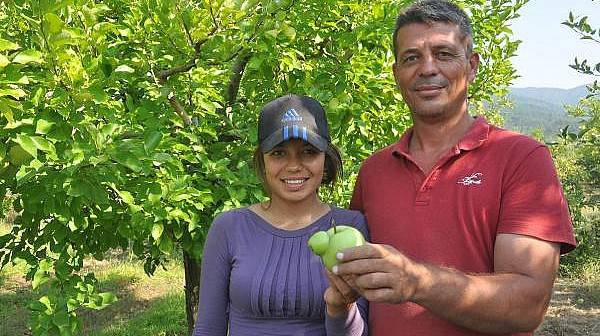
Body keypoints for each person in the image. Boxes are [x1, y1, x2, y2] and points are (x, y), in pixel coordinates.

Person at [332, 1, 577, 335]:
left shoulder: (522, 159)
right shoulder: (374, 170)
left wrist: (416, 281)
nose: (427, 68)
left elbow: (527, 305)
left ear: (472, 66)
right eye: (411, 57)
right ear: (396, 73)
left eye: (444, 54)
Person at [192, 94, 368, 336]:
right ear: (262, 161)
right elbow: (208, 328)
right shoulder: (229, 228)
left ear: (325, 159)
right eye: (278, 153)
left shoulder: (352, 226)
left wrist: (341, 306)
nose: (294, 165)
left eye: (308, 152)